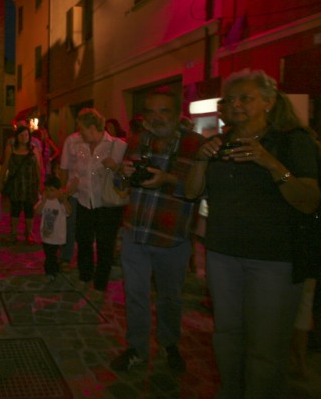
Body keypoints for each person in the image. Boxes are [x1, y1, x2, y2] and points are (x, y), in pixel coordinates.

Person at [185, 69, 320, 398]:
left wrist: (271, 164)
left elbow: (309, 201)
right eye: (231, 99)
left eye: (246, 98)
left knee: (265, 345)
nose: (237, 104)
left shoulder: (292, 140)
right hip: (222, 254)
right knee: (227, 336)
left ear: (269, 103)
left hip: (274, 259)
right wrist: (200, 161)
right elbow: (191, 193)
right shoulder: (217, 143)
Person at [110, 87, 204, 373]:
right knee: (135, 295)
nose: (157, 117)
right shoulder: (138, 141)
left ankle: (168, 343)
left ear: (177, 115)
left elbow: (198, 190)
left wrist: (167, 179)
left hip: (172, 236)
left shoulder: (195, 145)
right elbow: (121, 188)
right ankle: (137, 348)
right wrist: (121, 175)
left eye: (164, 111)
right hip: (136, 233)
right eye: (150, 111)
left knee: (170, 297)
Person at [59, 108, 127, 292]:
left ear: (91, 127)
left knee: (105, 245)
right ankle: (85, 275)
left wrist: (117, 167)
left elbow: (127, 177)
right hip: (83, 201)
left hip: (107, 205)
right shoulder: (80, 148)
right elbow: (79, 174)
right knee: (83, 241)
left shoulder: (115, 146)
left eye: (82, 129)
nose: (79, 133)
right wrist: (69, 188)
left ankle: (100, 284)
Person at [1, 125, 42, 242]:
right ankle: (13, 232)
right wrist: (1, 181)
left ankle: (28, 233)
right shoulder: (11, 149)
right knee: (15, 209)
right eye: (21, 135)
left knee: (29, 210)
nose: (24, 137)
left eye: (26, 135)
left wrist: (40, 183)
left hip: (30, 184)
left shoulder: (33, 149)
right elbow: (5, 166)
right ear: (17, 137)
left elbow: (38, 167)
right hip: (16, 184)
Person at [35, 175, 72, 282]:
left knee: (51, 254)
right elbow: (37, 212)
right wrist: (42, 201)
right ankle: (53, 270)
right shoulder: (44, 201)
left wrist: (64, 201)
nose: (48, 192)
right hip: (46, 233)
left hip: (57, 234)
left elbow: (69, 212)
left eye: (52, 190)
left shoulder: (59, 202)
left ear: (58, 190)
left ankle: (50, 273)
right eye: (46, 190)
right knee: (49, 254)